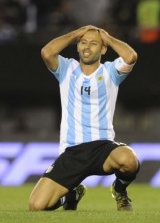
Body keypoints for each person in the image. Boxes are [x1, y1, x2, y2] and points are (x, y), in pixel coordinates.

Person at [29, 25, 140, 212]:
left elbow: (131, 57)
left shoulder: (110, 72)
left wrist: (107, 37)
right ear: (77, 45)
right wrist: (75, 34)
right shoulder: (66, 68)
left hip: (102, 148)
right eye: (83, 42)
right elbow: (47, 52)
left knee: (129, 160)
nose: (87, 47)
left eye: (94, 43)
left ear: (103, 49)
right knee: (36, 206)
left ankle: (119, 190)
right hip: (72, 151)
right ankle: (71, 196)